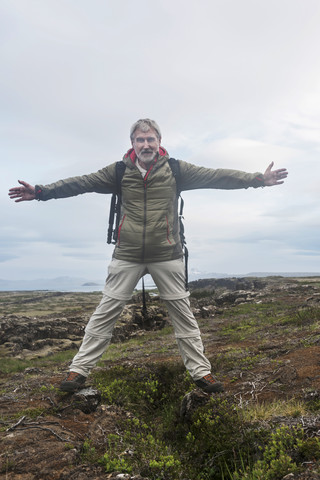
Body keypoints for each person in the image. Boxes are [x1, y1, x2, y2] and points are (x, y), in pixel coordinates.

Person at [8, 118, 288, 393]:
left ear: (159, 142)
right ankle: (78, 370)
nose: (146, 144)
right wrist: (42, 192)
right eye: (140, 140)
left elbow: (216, 176)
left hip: (167, 253)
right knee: (106, 311)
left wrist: (258, 180)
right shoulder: (119, 171)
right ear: (132, 143)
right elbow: (81, 183)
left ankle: (201, 372)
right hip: (127, 253)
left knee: (182, 313)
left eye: (150, 139)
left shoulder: (176, 170)